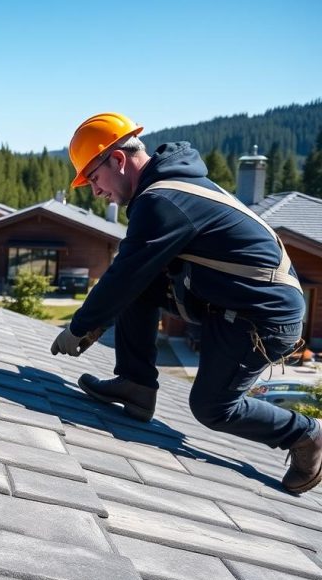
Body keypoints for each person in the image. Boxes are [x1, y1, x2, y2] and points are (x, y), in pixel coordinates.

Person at [49, 112, 319, 494]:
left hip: (261, 317)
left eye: (93, 178)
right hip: (224, 298)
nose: (95, 191)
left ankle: (307, 435)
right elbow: (134, 274)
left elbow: (125, 272)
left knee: (212, 409)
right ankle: (135, 384)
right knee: (139, 282)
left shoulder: (165, 200)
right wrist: (95, 320)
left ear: (119, 160)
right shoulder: (169, 187)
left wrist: (79, 327)